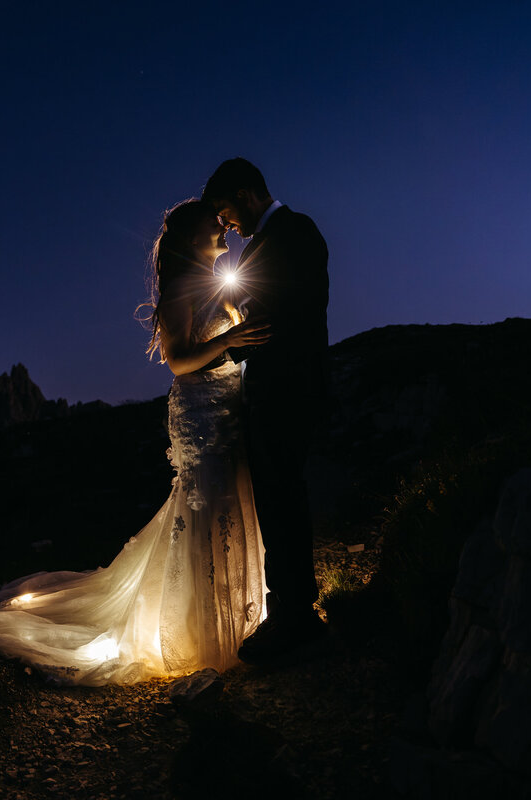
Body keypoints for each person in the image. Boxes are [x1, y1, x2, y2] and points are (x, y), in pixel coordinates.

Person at [0, 200, 274, 685]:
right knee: (206, 502)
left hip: (227, 405)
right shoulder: (180, 289)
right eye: (214, 224)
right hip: (200, 410)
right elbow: (178, 360)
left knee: (228, 500)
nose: (224, 229)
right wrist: (229, 341)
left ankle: (231, 614)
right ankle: (203, 631)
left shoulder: (217, 286)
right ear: (193, 237)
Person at [201, 157, 330, 663]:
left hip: (288, 388)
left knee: (282, 498)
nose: (226, 223)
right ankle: (293, 611)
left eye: (225, 210)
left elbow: (290, 315)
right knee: (277, 499)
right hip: (272, 390)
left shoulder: (296, 232)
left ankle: (294, 617)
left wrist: (227, 346)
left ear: (245, 193)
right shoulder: (266, 243)